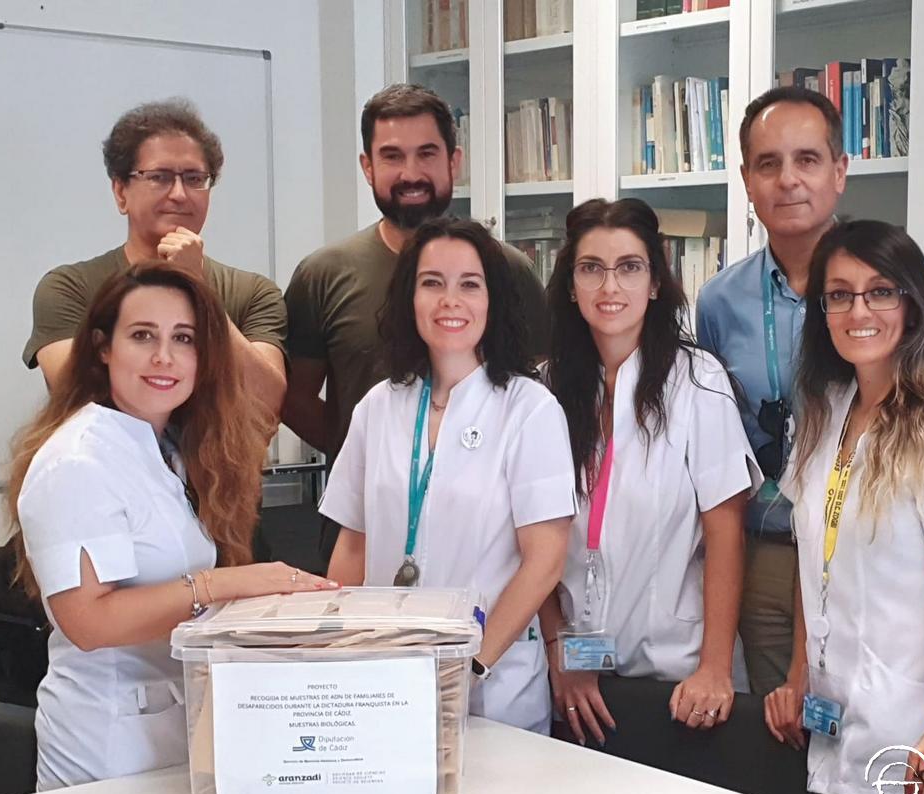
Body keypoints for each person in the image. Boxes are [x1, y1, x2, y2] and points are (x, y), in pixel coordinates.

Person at [8, 262, 336, 790]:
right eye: (142, 336)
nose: (165, 357)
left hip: (177, 728)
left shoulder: (168, 449)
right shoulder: (77, 460)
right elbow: (89, 623)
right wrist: (223, 584)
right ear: (102, 348)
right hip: (108, 746)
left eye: (183, 339)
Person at [695, 86, 924, 696]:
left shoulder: (912, 283)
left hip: (880, 549)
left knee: (885, 733)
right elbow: (716, 438)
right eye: (768, 164)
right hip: (768, 547)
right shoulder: (719, 301)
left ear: (840, 171)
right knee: (785, 739)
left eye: (808, 159)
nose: (788, 180)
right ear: (746, 179)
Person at [763, 221, 924, 794]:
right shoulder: (826, 410)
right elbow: (812, 562)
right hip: (830, 717)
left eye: (880, 292)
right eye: (839, 295)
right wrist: (797, 678)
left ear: (913, 302)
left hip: (913, 730)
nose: (858, 310)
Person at [319, 218, 574, 734]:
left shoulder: (529, 409)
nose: (449, 300)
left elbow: (544, 562)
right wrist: (328, 652)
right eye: (431, 283)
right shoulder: (379, 406)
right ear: (409, 298)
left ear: (493, 301)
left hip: (492, 689)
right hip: (383, 677)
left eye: (469, 285)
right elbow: (352, 547)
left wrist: (470, 667)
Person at [284, 83, 549, 568]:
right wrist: (374, 455)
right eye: (392, 156)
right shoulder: (323, 273)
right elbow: (293, 396)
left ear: (454, 161)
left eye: (427, 154)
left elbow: (535, 387)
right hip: (363, 529)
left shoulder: (506, 271)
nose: (410, 173)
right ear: (368, 166)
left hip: (482, 542)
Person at [537, 199, 759, 747]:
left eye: (629, 267)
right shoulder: (542, 390)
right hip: (576, 673)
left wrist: (713, 668)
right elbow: (529, 537)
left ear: (655, 283)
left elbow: (725, 532)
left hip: (676, 672)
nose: (609, 286)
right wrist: (557, 649)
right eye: (591, 268)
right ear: (570, 285)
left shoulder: (698, 383)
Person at [23, 98, 286, 417]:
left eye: (194, 179)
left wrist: (199, 287)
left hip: (217, 467)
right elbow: (79, 397)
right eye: (159, 177)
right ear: (121, 192)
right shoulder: (70, 288)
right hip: (110, 464)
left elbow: (267, 403)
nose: (179, 194)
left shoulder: (252, 293)